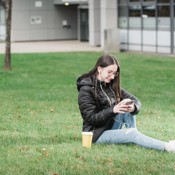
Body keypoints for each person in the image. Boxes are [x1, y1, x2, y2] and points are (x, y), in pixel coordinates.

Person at [76, 54, 175, 152]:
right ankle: (167, 147)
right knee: (132, 133)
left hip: (111, 127)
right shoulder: (86, 89)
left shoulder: (110, 86)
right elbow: (90, 118)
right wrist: (113, 110)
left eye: (115, 73)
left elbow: (135, 100)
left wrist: (133, 107)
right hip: (95, 134)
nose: (112, 76)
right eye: (109, 72)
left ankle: (133, 136)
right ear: (99, 69)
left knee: (127, 102)